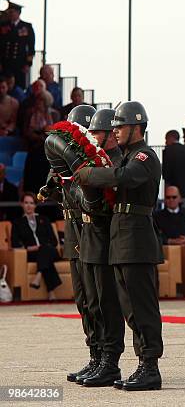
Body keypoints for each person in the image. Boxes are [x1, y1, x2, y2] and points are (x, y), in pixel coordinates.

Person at [74, 101, 164, 391]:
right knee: (130, 309)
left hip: (137, 239)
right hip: (121, 240)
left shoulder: (144, 156)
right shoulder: (125, 157)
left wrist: (88, 175)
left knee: (142, 306)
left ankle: (150, 366)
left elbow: (123, 178)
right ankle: (142, 365)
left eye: (121, 126)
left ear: (137, 127)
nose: (116, 131)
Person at [38, 104, 99, 383]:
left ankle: (104, 358)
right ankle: (94, 355)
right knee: (81, 298)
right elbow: (52, 187)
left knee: (96, 298)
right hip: (72, 230)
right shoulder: (61, 161)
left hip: (88, 227)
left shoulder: (95, 162)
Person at [76, 108, 126, 387]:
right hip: (89, 237)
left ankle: (110, 361)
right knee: (92, 303)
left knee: (107, 303)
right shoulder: (94, 161)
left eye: (97, 132)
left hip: (106, 238)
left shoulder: (115, 162)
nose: (92, 137)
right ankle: (97, 356)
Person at [10, 192, 61, 300]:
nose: (29, 205)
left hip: (50, 251)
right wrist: (30, 248)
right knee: (45, 259)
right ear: (22, 204)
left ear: (35, 205)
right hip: (32, 253)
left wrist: (42, 247)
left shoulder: (44, 219)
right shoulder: (17, 223)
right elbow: (15, 243)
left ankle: (38, 275)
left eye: (31, 203)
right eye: (26, 203)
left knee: (45, 250)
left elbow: (54, 241)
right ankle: (51, 292)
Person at [0, 2, 35, 89]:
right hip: (6, 63)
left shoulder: (26, 27)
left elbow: (31, 47)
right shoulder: (3, 26)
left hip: (20, 63)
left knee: (18, 86)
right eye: (9, 12)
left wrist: (28, 64)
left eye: (12, 12)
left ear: (18, 13)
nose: (10, 14)